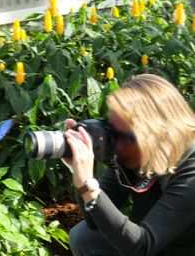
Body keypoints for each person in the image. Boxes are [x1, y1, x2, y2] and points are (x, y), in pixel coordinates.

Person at [62, 74, 195, 256]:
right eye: (112, 130)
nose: (116, 144)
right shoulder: (133, 149)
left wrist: (89, 187)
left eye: (124, 135)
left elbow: (142, 246)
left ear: (157, 134)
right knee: (85, 236)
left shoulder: (191, 169)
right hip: (160, 246)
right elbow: (94, 222)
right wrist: (84, 167)